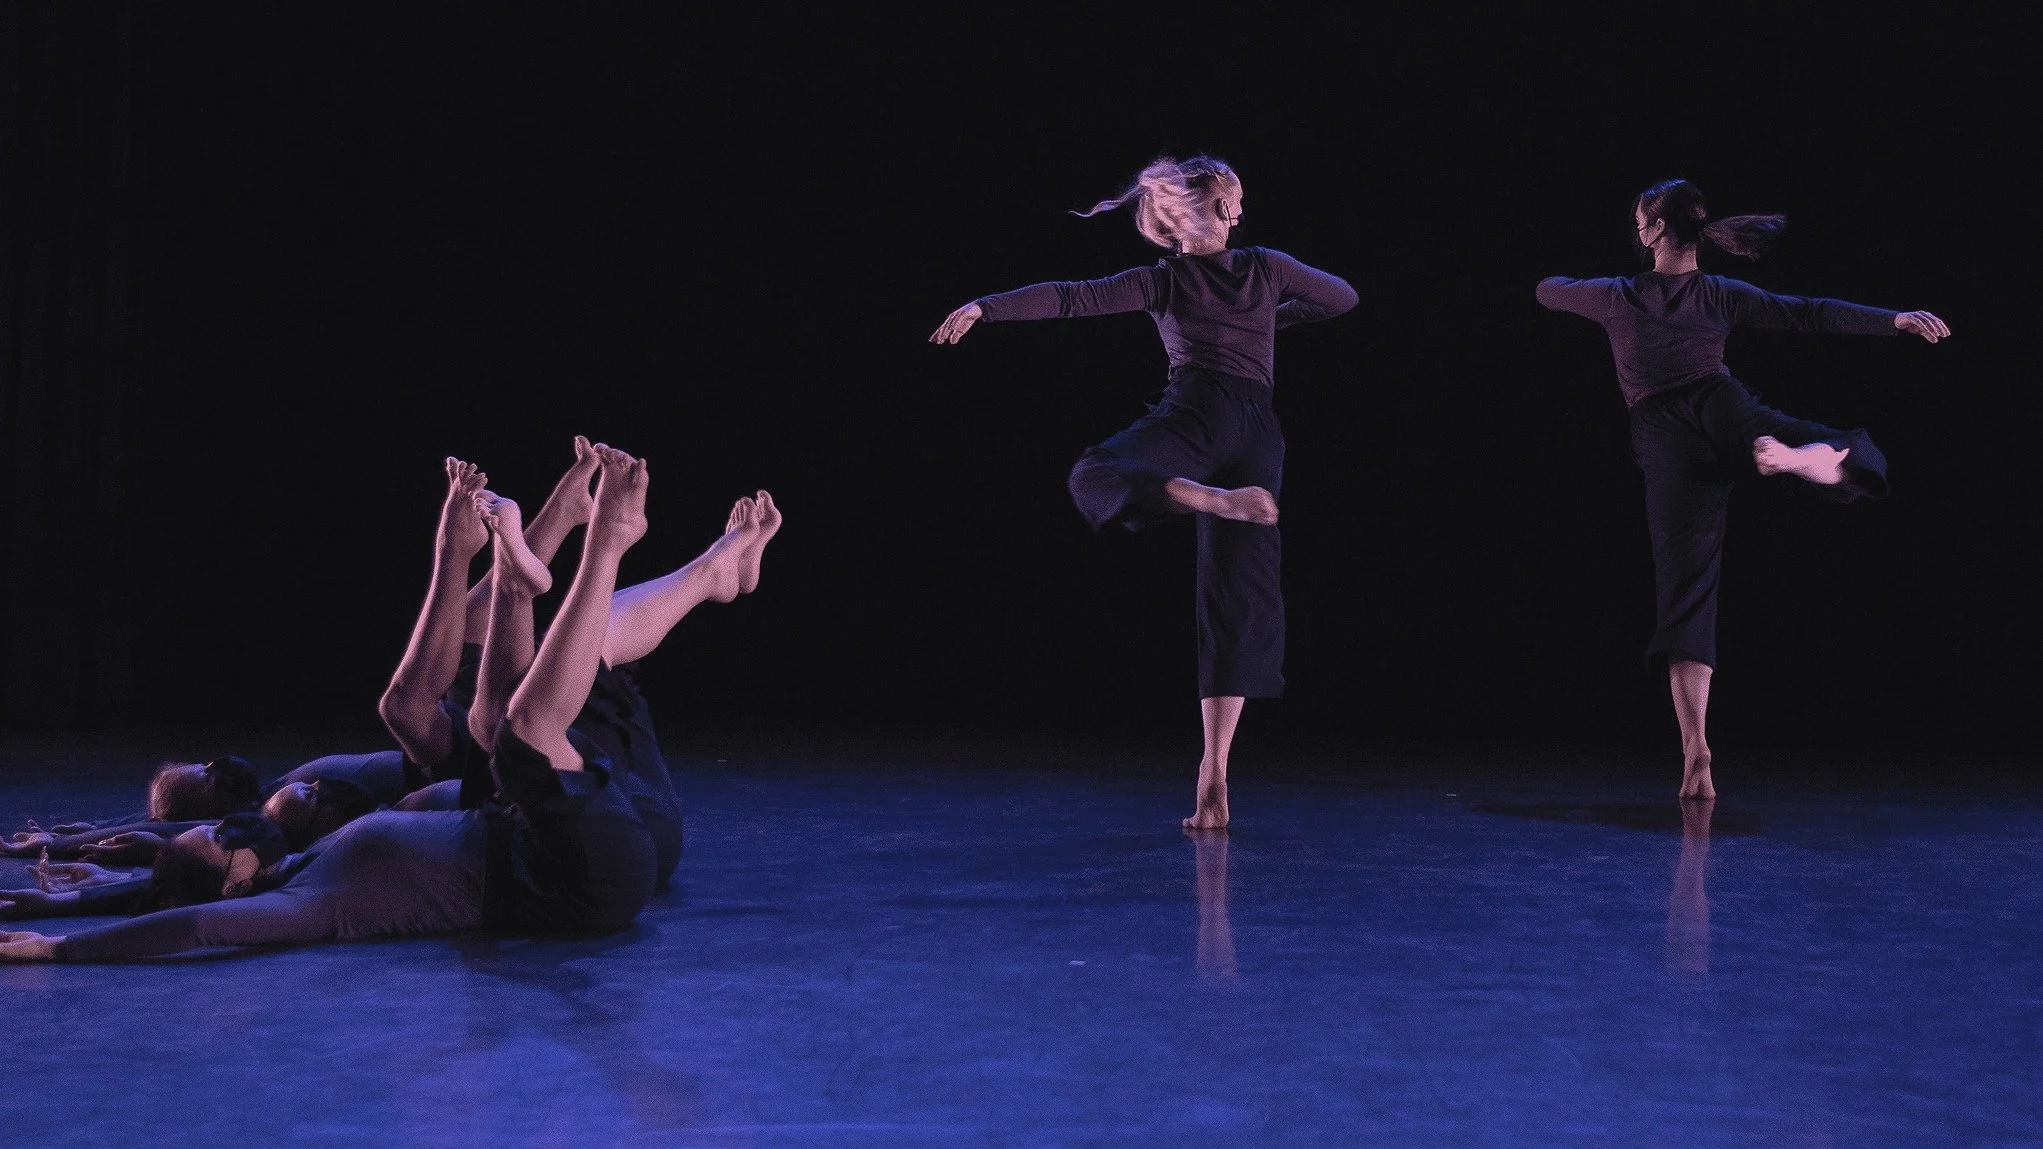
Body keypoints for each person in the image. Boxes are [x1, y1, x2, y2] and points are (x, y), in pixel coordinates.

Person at [0, 449, 777, 961]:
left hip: (532, 830)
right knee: (517, 729)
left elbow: (164, 860)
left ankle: (522, 581)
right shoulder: (306, 902)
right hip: (583, 874)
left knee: (490, 721)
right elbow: (194, 920)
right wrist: (57, 948)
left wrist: (65, 865)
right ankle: (608, 542)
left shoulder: (290, 847)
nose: (228, 824)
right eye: (221, 839)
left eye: (213, 823)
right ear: (236, 884)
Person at [931, 155, 1357, 829]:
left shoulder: (1164, 280)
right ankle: (1213, 774)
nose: (1241, 211)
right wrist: (1268, 321)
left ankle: (1199, 495)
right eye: (1236, 200)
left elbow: (1072, 297)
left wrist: (987, 306)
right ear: (1222, 210)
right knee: (1235, 596)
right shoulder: (1265, 267)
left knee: (1094, 473)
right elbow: (1342, 297)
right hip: (1259, 434)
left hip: (1197, 416)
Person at [1536, 178, 1949, 799]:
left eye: (1641, 219)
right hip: (1724, 408)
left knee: (1687, 591)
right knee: (1845, 449)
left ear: (1653, 230)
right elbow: (1807, 311)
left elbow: (1548, 290)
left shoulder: (1618, 297)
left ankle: (1696, 751)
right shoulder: (1720, 294)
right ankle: (1798, 460)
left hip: (1664, 438)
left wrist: (1564, 288)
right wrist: (1893, 320)